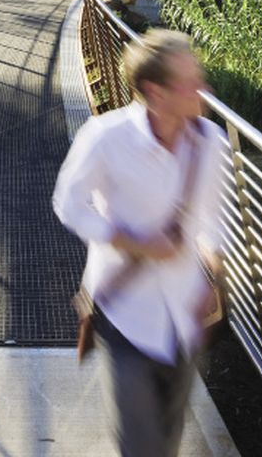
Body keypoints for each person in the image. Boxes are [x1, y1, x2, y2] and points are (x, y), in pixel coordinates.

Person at [53, 29, 230, 457]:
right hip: (124, 315)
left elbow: (215, 217)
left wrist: (214, 270)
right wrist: (132, 242)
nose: (204, 90)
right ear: (155, 91)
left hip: (185, 317)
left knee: (167, 437)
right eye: (190, 82)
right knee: (139, 445)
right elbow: (69, 203)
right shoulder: (105, 137)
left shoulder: (211, 142)